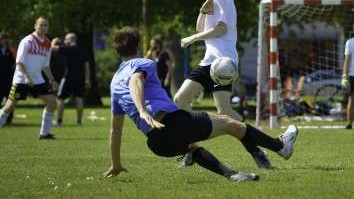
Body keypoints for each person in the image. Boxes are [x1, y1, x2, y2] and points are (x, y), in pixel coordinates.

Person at [103, 26, 299, 181]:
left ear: (118, 51)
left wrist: (116, 163)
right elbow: (135, 80)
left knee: (192, 147)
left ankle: (232, 175)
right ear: (138, 47)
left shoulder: (114, 83)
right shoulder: (143, 63)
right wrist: (142, 110)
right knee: (230, 123)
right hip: (174, 123)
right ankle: (280, 146)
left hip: (156, 143)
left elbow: (115, 130)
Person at [174, 0, 272, 169]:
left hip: (221, 62)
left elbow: (222, 29)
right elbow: (202, 29)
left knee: (221, 110)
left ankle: (258, 149)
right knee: (182, 100)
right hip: (211, 59)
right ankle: (192, 149)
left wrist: (192, 39)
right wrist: (202, 10)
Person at [0, 17, 59, 139]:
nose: (43, 27)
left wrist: (52, 80)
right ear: (35, 26)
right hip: (21, 79)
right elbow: (19, 62)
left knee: (52, 102)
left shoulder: (48, 43)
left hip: (38, 80)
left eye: (46, 25)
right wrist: (26, 77)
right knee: (9, 107)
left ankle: (44, 133)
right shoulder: (27, 41)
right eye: (41, 25)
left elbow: (46, 66)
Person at [56, 33, 90, 126]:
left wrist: (53, 43)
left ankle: (59, 121)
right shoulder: (83, 50)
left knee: (60, 98)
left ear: (70, 40)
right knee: (79, 98)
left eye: (66, 39)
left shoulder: (66, 48)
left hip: (67, 77)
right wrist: (87, 79)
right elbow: (87, 66)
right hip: (80, 78)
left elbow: (52, 49)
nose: (64, 41)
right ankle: (79, 122)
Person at [49, 37, 68, 125]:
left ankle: (49, 119)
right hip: (63, 78)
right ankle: (59, 120)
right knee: (60, 99)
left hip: (51, 78)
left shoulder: (50, 53)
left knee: (51, 99)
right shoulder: (64, 54)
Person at [0, 33, 16, 124]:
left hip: (9, 79)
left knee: (10, 99)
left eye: (5, 39)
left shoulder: (10, 51)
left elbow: (14, 63)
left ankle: (8, 119)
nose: (3, 41)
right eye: (2, 39)